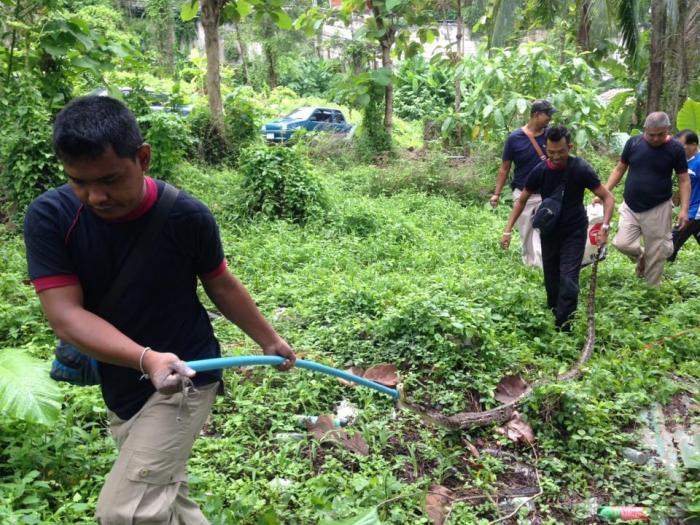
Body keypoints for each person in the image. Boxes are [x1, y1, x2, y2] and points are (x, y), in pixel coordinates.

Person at [23, 96, 297, 524]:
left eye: (111, 179)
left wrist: (270, 339)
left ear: (143, 157)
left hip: (188, 374)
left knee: (125, 513)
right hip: (122, 377)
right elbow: (65, 315)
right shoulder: (51, 217)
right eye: (79, 182)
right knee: (165, 495)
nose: (95, 196)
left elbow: (220, 284)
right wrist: (144, 359)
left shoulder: (187, 217)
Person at [500, 125, 614, 330]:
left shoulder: (581, 168)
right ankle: (554, 314)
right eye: (551, 152)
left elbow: (607, 197)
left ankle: (564, 328)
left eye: (560, 151)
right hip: (550, 230)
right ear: (546, 148)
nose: (555, 156)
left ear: (569, 147)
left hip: (575, 231)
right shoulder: (541, 170)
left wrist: (605, 226)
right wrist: (508, 230)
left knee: (568, 278)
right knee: (551, 279)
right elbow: (522, 200)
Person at [596, 112, 689, 285]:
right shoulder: (634, 142)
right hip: (631, 205)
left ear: (667, 129)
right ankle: (642, 256)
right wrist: (605, 191)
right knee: (622, 243)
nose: (655, 138)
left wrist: (684, 210)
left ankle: (651, 290)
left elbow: (684, 179)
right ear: (645, 130)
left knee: (657, 251)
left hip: (658, 207)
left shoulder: (675, 149)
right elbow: (619, 169)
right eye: (651, 134)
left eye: (660, 134)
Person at [490, 100, 557, 268]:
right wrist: (496, 194)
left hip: (548, 193)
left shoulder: (551, 135)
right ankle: (531, 266)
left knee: (548, 230)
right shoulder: (514, 139)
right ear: (536, 115)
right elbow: (505, 168)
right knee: (527, 233)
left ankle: (546, 265)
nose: (550, 119)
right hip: (524, 194)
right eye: (547, 115)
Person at [668, 129, 700, 262]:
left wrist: (690, 212)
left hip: (695, 211)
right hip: (691, 209)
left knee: (673, 239)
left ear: (693, 145)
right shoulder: (686, 161)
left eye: (682, 147)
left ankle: (662, 265)